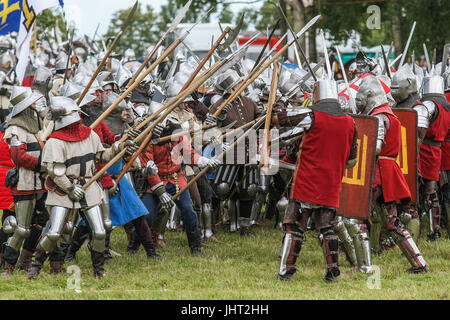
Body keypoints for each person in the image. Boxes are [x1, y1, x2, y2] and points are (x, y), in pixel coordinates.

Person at [28, 96, 137, 279]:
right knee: (54, 232)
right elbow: (55, 172)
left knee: (100, 231)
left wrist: (119, 148)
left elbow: (102, 155)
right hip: (63, 191)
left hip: (89, 187)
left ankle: (99, 270)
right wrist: (70, 188)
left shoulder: (90, 134)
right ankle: (35, 265)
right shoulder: (55, 142)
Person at [273, 79, 358, 282]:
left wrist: (277, 104)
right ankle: (332, 272)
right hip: (331, 183)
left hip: (307, 181)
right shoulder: (350, 122)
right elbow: (351, 161)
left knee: (294, 227)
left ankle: (287, 272)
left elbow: (279, 119)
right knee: (327, 228)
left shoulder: (311, 116)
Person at [356, 76, 428, 273]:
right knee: (391, 222)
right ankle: (419, 264)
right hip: (389, 175)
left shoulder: (379, 117)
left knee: (359, 218)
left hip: (378, 174)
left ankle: (364, 266)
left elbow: (375, 149)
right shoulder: (390, 114)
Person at [1, 87, 46, 276]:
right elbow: (18, 156)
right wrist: (41, 165)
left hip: (41, 184)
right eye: (32, 103)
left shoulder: (35, 126)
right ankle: (8, 266)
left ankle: (26, 262)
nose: (36, 106)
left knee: (40, 224)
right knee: (21, 228)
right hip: (25, 183)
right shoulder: (14, 128)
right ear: (26, 106)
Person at [413, 75, 450, 240]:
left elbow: (418, 124)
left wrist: (416, 143)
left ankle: (421, 229)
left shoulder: (429, 105)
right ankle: (435, 230)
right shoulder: (447, 107)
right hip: (437, 150)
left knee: (420, 189)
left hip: (424, 150)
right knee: (432, 191)